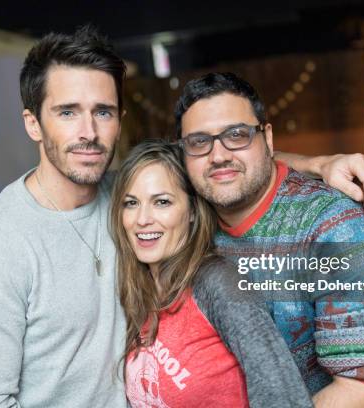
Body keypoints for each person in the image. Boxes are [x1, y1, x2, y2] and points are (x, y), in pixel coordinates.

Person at [0, 26, 364, 407]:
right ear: (33, 123)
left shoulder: (131, 193)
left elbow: (219, 160)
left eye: (103, 112)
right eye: (67, 113)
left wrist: (320, 163)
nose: (89, 132)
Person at [174, 72, 364, 407]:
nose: (219, 155)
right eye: (199, 142)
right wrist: (317, 163)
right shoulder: (186, 216)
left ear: (267, 139)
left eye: (237, 134)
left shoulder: (337, 227)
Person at [110, 140, 313, 407]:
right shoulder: (141, 289)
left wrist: (318, 165)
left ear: (193, 210)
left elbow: (283, 396)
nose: (142, 219)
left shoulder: (217, 282)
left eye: (162, 202)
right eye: (131, 203)